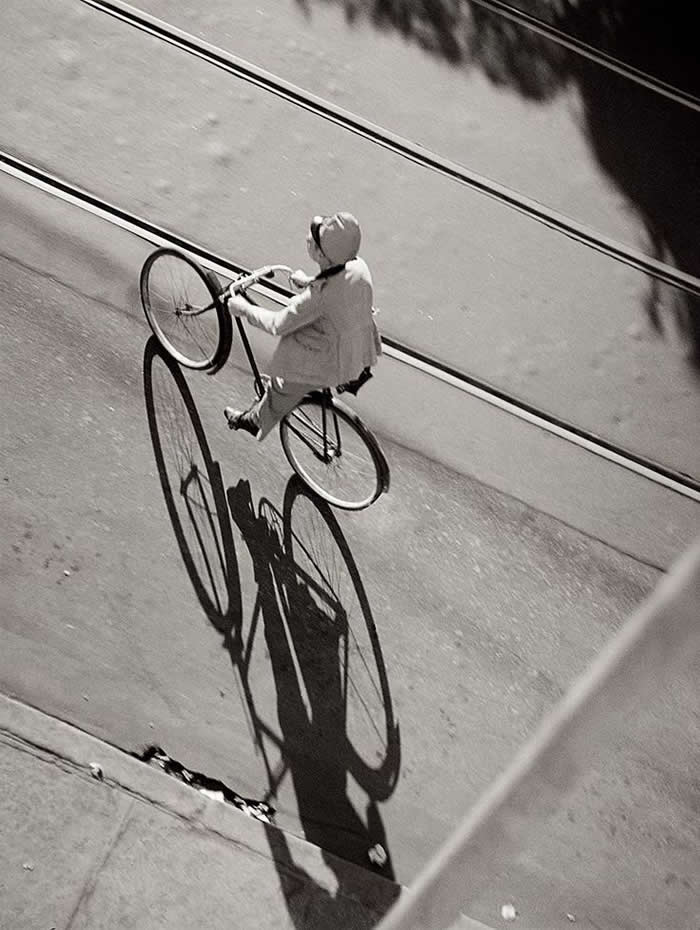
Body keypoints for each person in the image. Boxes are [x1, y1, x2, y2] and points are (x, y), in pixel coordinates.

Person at [224, 212, 381, 440]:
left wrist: (244, 309)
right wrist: (309, 281)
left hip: (331, 360)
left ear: (321, 254)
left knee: (282, 384)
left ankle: (254, 421)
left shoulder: (318, 298)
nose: (309, 236)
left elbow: (277, 325)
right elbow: (338, 285)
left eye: (315, 239)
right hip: (359, 348)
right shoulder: (359, 266)